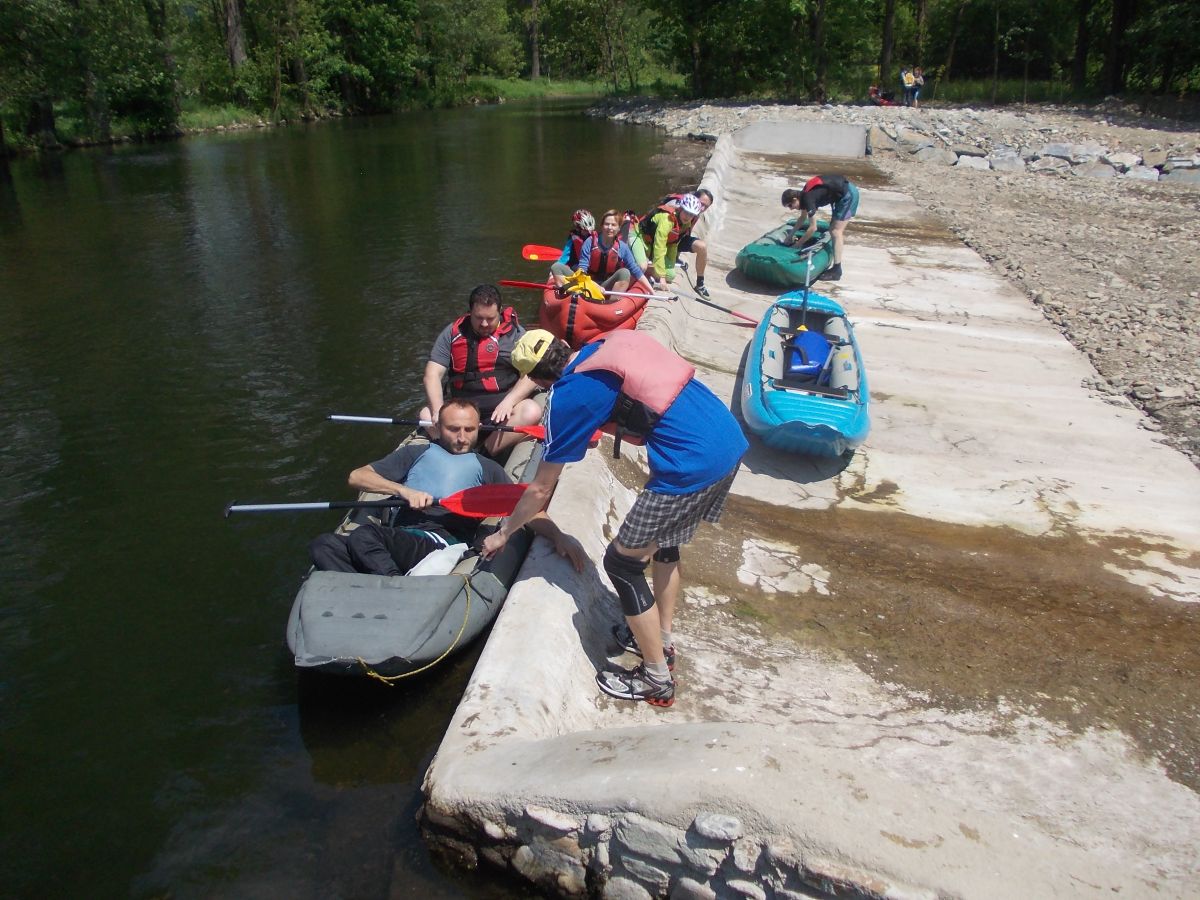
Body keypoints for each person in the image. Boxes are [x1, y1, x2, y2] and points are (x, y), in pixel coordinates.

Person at [482, 329, 748, 708]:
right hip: (727, 440)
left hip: (692, 464)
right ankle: (664, 640)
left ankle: (656, 678)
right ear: (564, 348)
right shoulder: (600, 347)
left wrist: (504, 532)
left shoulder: (569, 396)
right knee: (665, 543)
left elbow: (541, 489)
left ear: (538, 380)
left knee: (622, 563)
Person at [310, 398, 583, 576]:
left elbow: (528, 508)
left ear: (478, 429)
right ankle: (373, 583)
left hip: (437, 543)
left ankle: (395, 588)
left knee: (364, 537)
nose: (463, 438)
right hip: (396, 539)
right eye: (454, 429)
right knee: (323, 544)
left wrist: (559, 536)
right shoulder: (416, 453)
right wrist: (403, 491)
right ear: (439, 427)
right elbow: (357, 476)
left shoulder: (487, 468)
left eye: (469, 430)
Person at [420, 284, 543, 457]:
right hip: (462, 411)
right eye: (478, 318)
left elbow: (532, 373)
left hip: (500, 413)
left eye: (490, 318)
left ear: (499, 311)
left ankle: (483, 454)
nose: (484, 324)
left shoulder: (516, 335)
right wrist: (439, 411)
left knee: (531, 410)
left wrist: (509, 401)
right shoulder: (452, 333)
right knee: (426, 414)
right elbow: (432, 374)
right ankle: (451, 450)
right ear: (470, 312)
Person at [780, 175, 860, 282]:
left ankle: (837, 270)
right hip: (840, 192)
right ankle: (836, 266)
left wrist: (797, 245)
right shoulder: (803, 194)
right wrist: (790, 236)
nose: (791, 209)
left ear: (795, 199)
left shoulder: (808, 199)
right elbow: (803, 217)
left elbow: (813, 228)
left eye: (790, 205)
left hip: (848, 194)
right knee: (833, 229)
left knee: (836, 231)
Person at [629, 192, 703, 296]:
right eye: (686, 212)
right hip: (638, 237)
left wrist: (670, 265)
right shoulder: (667, 219)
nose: (688, 216)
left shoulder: (686, 224)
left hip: (650, 245)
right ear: (681, 208)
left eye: (691, 214)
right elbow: (659, 246)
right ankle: (627, 285)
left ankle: (646, 272)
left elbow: (673, 244)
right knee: (642, 266)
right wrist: (661, 277)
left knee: (671, 275)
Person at [574, 209, 655, 295]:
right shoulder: (589, 242)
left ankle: (611, 303)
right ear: (601, 226)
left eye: (613, 225)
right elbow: (582, 270)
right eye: (607, 224)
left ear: (619, 228)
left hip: (607, 286)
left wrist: (652, 292)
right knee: (558, 268)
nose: (609, 228)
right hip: (589, 284)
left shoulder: (622, 247)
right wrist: (595, 286)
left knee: (624, 272)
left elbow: (636, 272)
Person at [675, 188, 714, 299]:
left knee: (702, 247)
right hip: (662, 240)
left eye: (706, 207)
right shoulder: (678, 207)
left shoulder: (696, 213)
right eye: (701, 204)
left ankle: (700, 283)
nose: (702, 208)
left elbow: (686, 233)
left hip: (675, 241)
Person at [550, 209, 596, 288]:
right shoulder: (573, 238)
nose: (588, 233)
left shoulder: (597, 238)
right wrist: (554, 271)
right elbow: (565, 256)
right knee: (556, 266)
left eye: (589, 230)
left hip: (592, 271)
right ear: (578, 228)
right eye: (585, 230)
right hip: (577, 269)